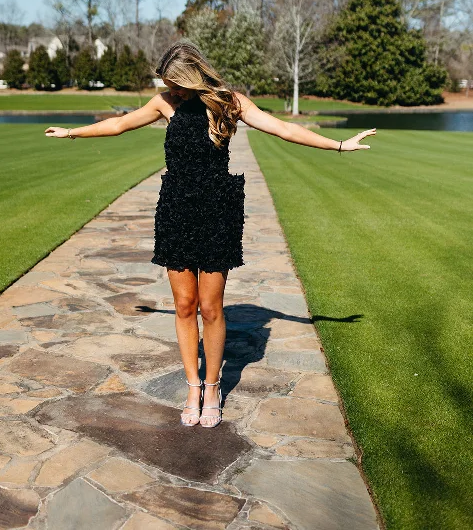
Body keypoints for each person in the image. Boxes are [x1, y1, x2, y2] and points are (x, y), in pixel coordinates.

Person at [45, 42, 376, 428]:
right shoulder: (164, 104)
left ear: (193, 76)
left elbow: (283, 128)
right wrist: (72, 133)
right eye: (168, 84)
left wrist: (338, 144)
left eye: (177, 84)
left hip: (218, 208)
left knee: (210, 307)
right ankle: (192, 388)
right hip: (176, 208)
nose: (173, 91)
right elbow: (119, 124)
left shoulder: (230, 102)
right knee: (184, 305)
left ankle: (214, 387)